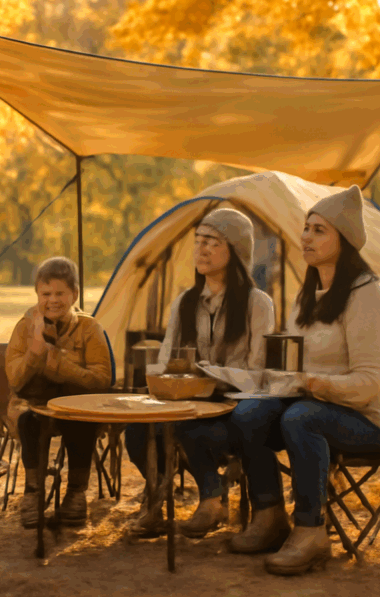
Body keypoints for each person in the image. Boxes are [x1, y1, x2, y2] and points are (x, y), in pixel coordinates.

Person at [226, 185, 380, 576]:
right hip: (321, 405)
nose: (306, 237)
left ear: (343, 240)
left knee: (301, 418)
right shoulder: (309, 294)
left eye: (319, 230)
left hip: (379, 417)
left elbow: (367, 385)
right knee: (249, 414)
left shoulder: (367, 295)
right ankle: (269, 516)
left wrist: (310, 382)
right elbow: (296, 362)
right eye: (306, 228)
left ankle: (311, 531)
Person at [125, 208, 275, 538]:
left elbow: (259, 375)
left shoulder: (257, 303)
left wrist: (211, 376)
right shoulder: (185, 302)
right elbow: (168, 361)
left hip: (233, 409)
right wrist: (161, 377)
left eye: (212, 242)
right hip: (187, 402)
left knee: (191, 428)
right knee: (136, 431)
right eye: (198, 241)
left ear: (235, 251)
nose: (201, 249)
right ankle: (157, 496)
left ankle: (211, 501)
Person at [4, 257, 112, 528]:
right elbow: (15, 379)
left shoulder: (89, 328)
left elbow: (102, 380)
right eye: (46, 294)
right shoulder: (24, 327)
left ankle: (76, 492)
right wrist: (35, 350)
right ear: (37, 295)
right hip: (34, 404)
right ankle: (33, 492)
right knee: (28, 421)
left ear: (74, 295)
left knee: (81, 423)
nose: (53, 300)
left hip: (77, 404)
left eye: (60, 293)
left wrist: (58, 364)